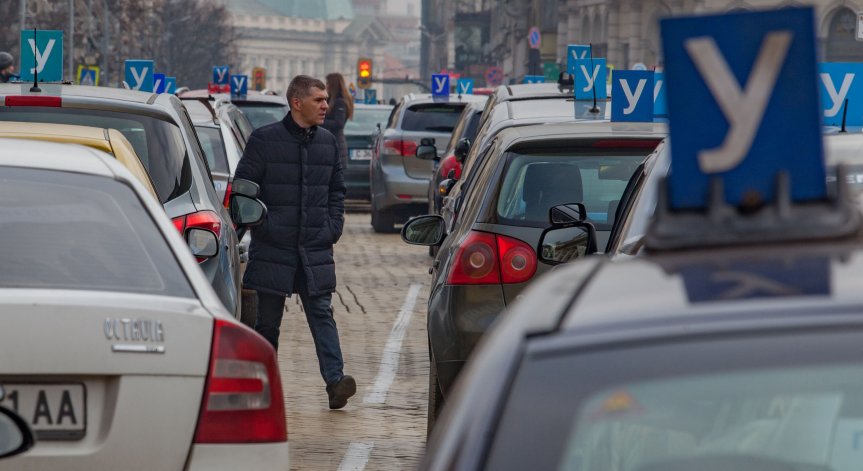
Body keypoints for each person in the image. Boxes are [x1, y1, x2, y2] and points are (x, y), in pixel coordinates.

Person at [233, 75, 355, 410]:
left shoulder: (327, 142)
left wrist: (332, 227)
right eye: (319, 100)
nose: (326, 106)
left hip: (315, 245)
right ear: (296, 102)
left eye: (326, 99)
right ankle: (261, 384)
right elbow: (243, 187)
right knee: (268, 321)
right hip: (275, 246)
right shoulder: (264, 140)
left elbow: (336, 190)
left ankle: (336, 381)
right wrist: (263, 224)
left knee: (321, 312)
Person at [321, 73, 353, 166]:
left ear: (332, 85)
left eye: (327, 83)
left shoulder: (339, 101)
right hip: (332, 142)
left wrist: (319, 122)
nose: (326, 86)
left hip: (336, 143)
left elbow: (339, 123)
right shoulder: (330, 100)